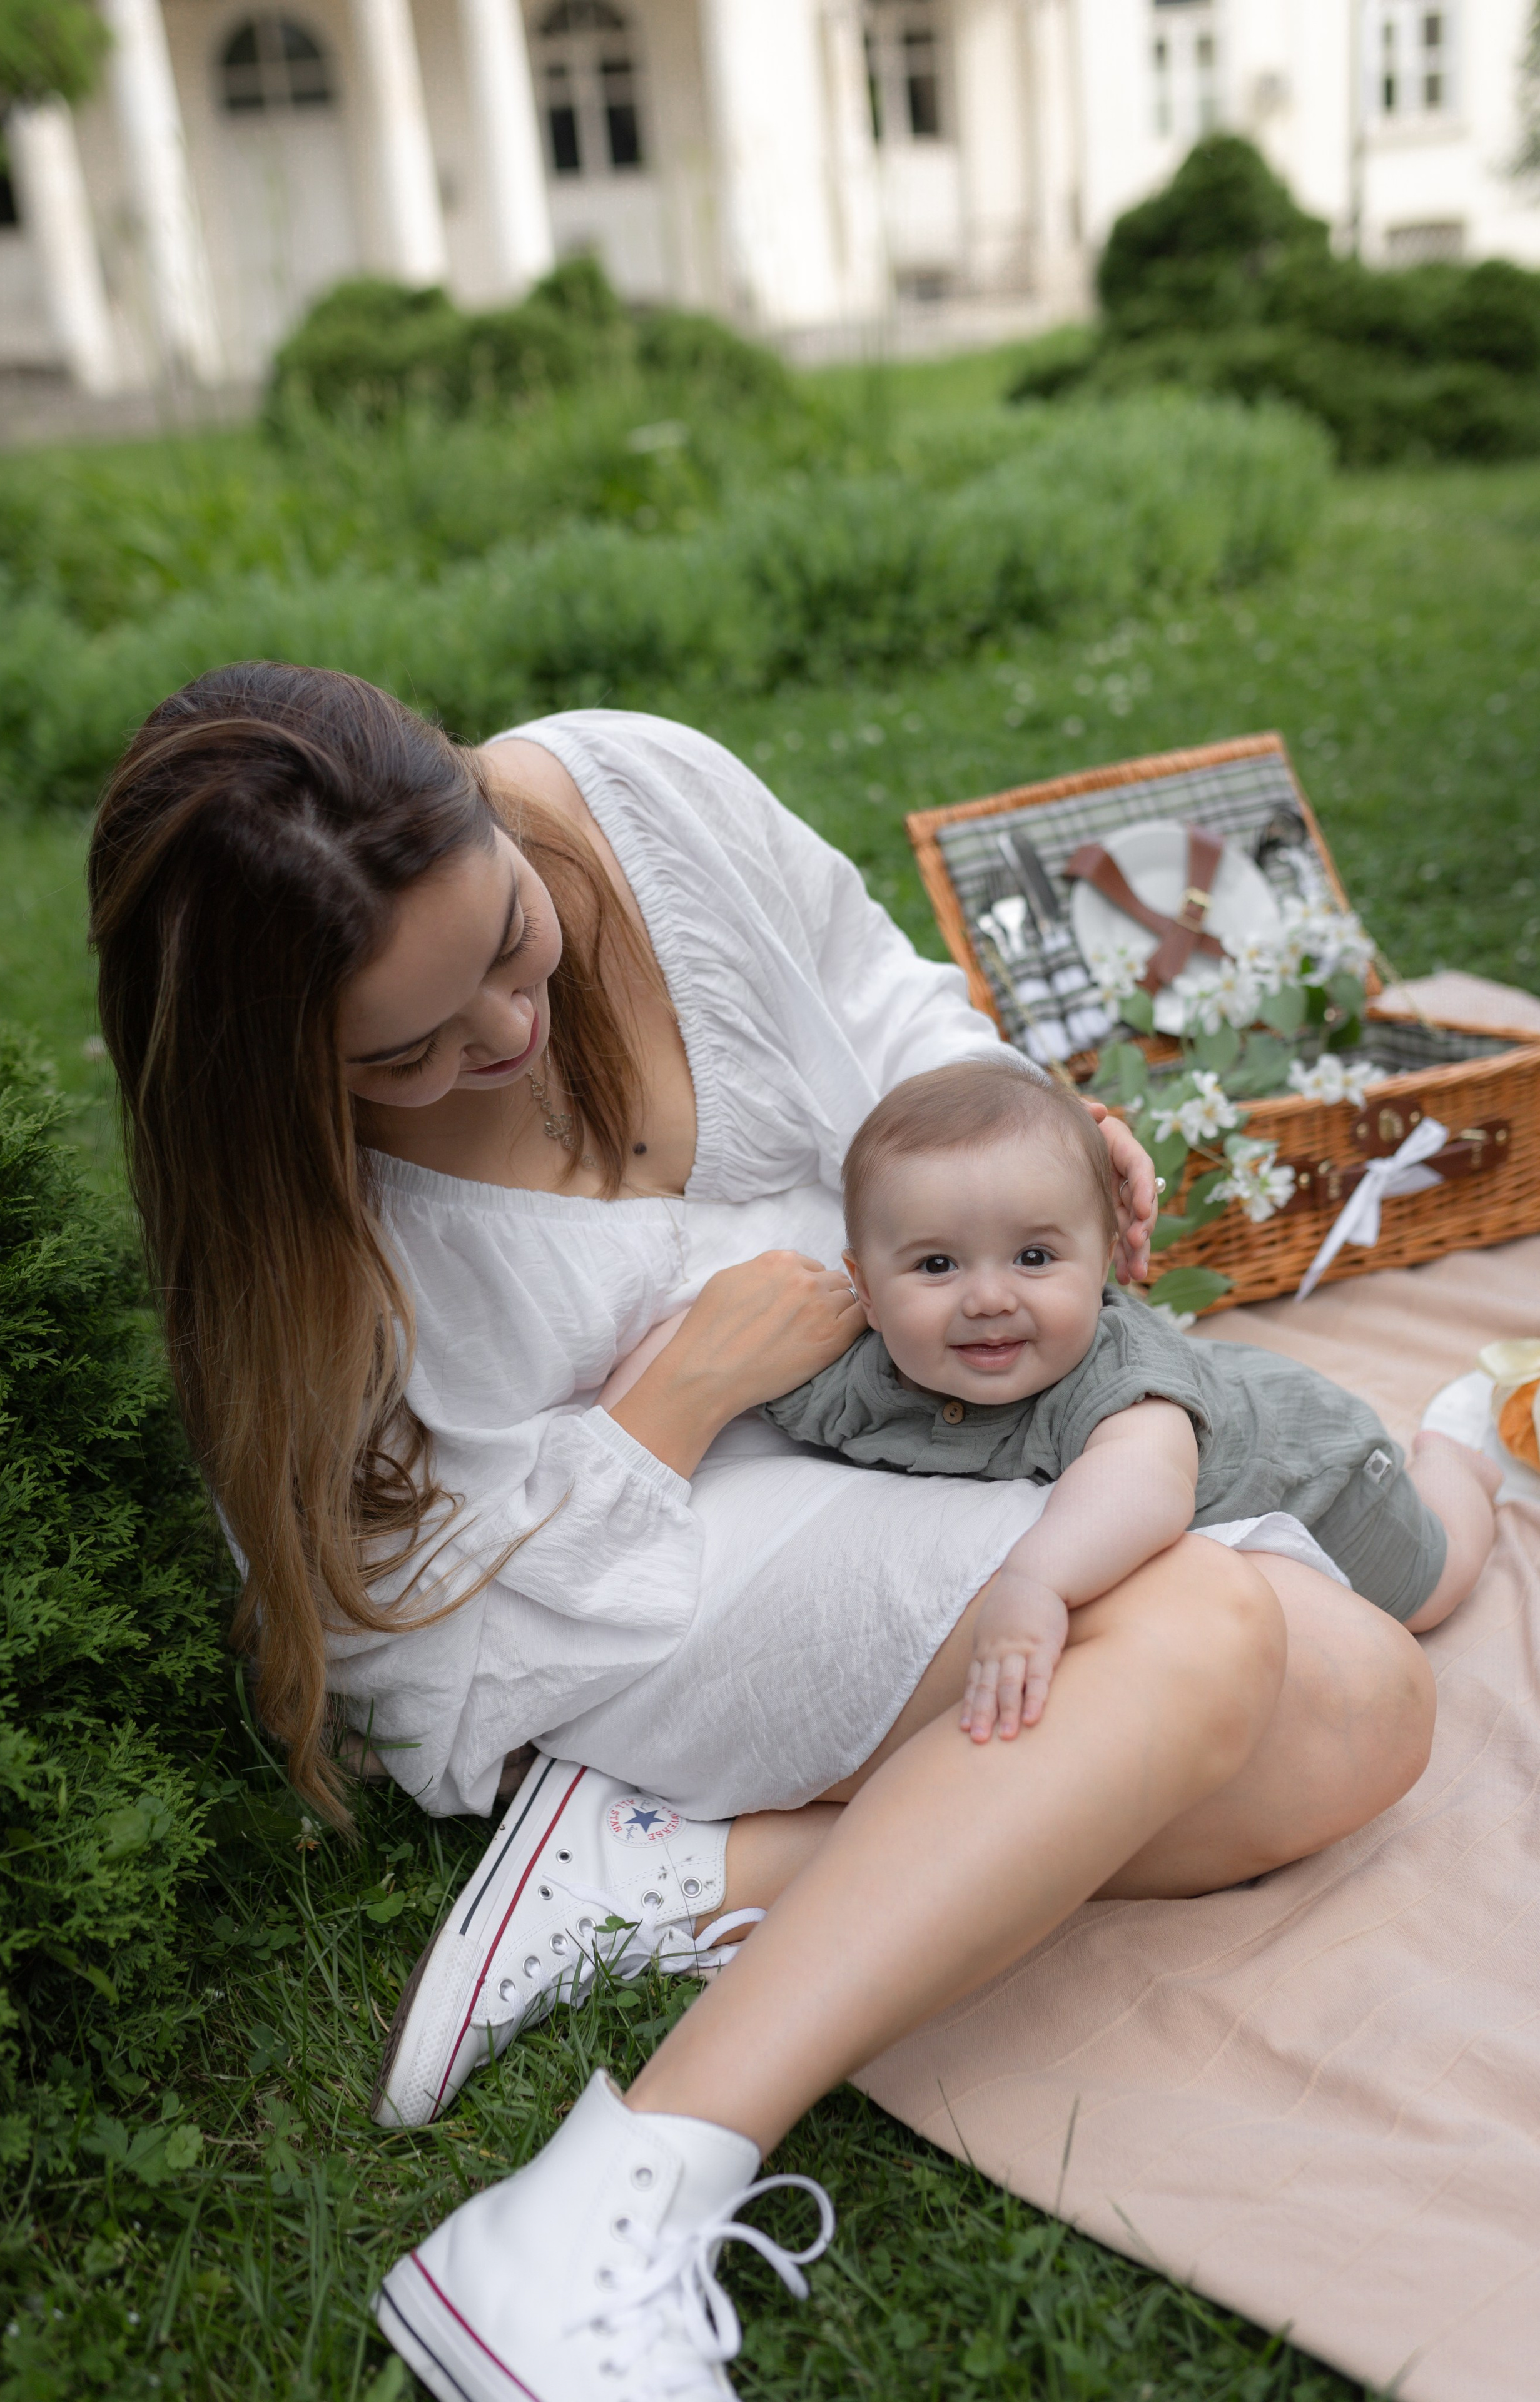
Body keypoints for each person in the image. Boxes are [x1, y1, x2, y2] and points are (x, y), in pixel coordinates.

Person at [89, 668, 1436, 2402]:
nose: (499, 1037)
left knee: (1361, 1707)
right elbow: (406, 1653)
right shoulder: (293, 1246)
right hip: (642, 1579)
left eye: (510, 943)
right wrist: (673, 1407)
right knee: (1226, 1641)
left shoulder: (636, 792)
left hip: (906, 1420)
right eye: (400, 1057)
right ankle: (606, 2204)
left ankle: (699, 1869)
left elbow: (888, 1005)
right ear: (269, 1076)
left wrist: (1015, 1137)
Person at [759, 1057, 1497, 1744]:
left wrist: (1038, 1581)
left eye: (1034, 1258)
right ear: (865, 1289)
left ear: (1104, 1259)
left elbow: (1143, 1486)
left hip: (1318, 1477)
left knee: (1431, 1588)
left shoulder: (1119, 1381)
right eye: (937, 1264)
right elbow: (766, 1390)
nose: (988, 1298)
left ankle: (1454, 1467)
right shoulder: (863, 1377)